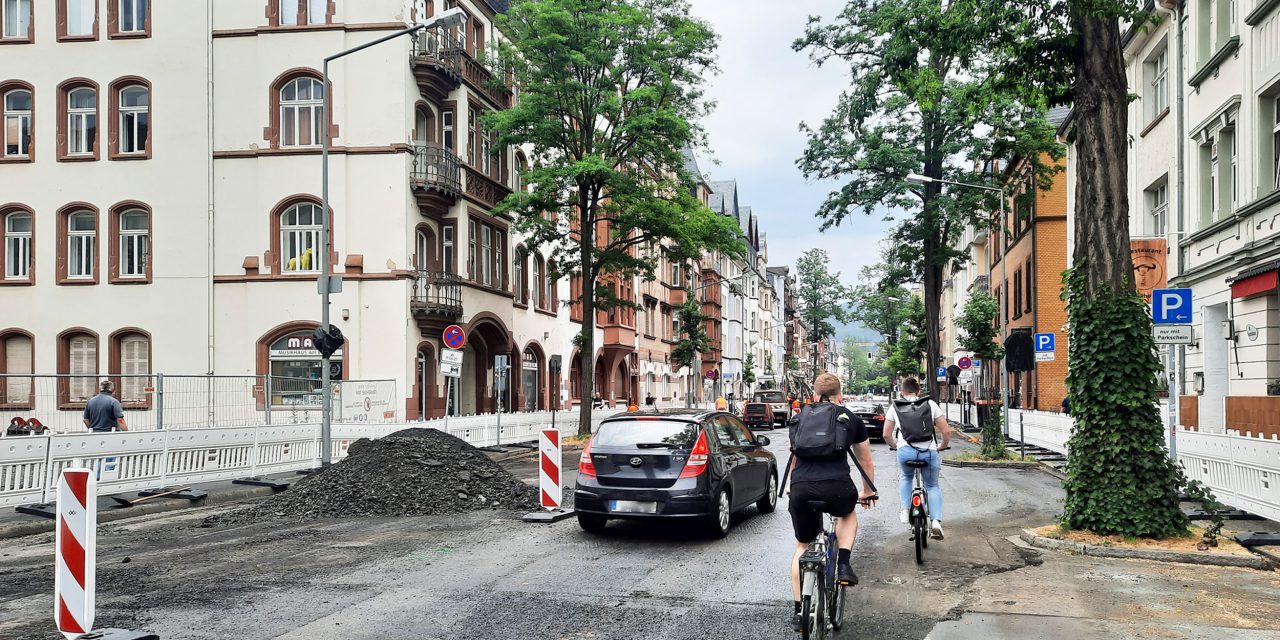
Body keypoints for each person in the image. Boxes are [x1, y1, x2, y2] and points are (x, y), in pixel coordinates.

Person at [784, 373, 876, 631]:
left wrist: (795, 490)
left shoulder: (799, 417)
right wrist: (867, 491)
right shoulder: (849, 418)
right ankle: (844, 565)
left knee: (802, 546)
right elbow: (866, 461)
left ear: (814, 395)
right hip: (837, 486)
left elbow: (793, 460)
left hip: (801, 487)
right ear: (840, 395)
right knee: (847, 513)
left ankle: (799, 611)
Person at [883, 377, 950, 540]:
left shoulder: (895, 406)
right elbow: (946, 431)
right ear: (919, 391)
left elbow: (886, 434)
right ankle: (935, 522)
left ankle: (905, 511)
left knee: (906, 476)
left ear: (902, 391)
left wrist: (894, 445)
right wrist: (942, 445)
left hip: (906, 451)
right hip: (928, 451)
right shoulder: (930, 404)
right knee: (932, 485)